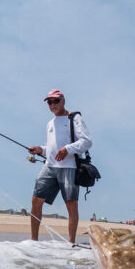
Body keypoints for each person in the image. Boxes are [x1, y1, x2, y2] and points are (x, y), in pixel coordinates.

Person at [28, 89, 92, 244]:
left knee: (71, 204)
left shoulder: (74, 118)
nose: (52, 105)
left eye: (56, 101)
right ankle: (33, 241)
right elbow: (50, 148)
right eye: (49, 102)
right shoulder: (50, 123)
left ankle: (71, 242)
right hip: (50, 166)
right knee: (36, 200)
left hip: (69, 167)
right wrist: (40, 150)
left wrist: (67, 149)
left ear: (63, 101)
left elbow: (86, 141)